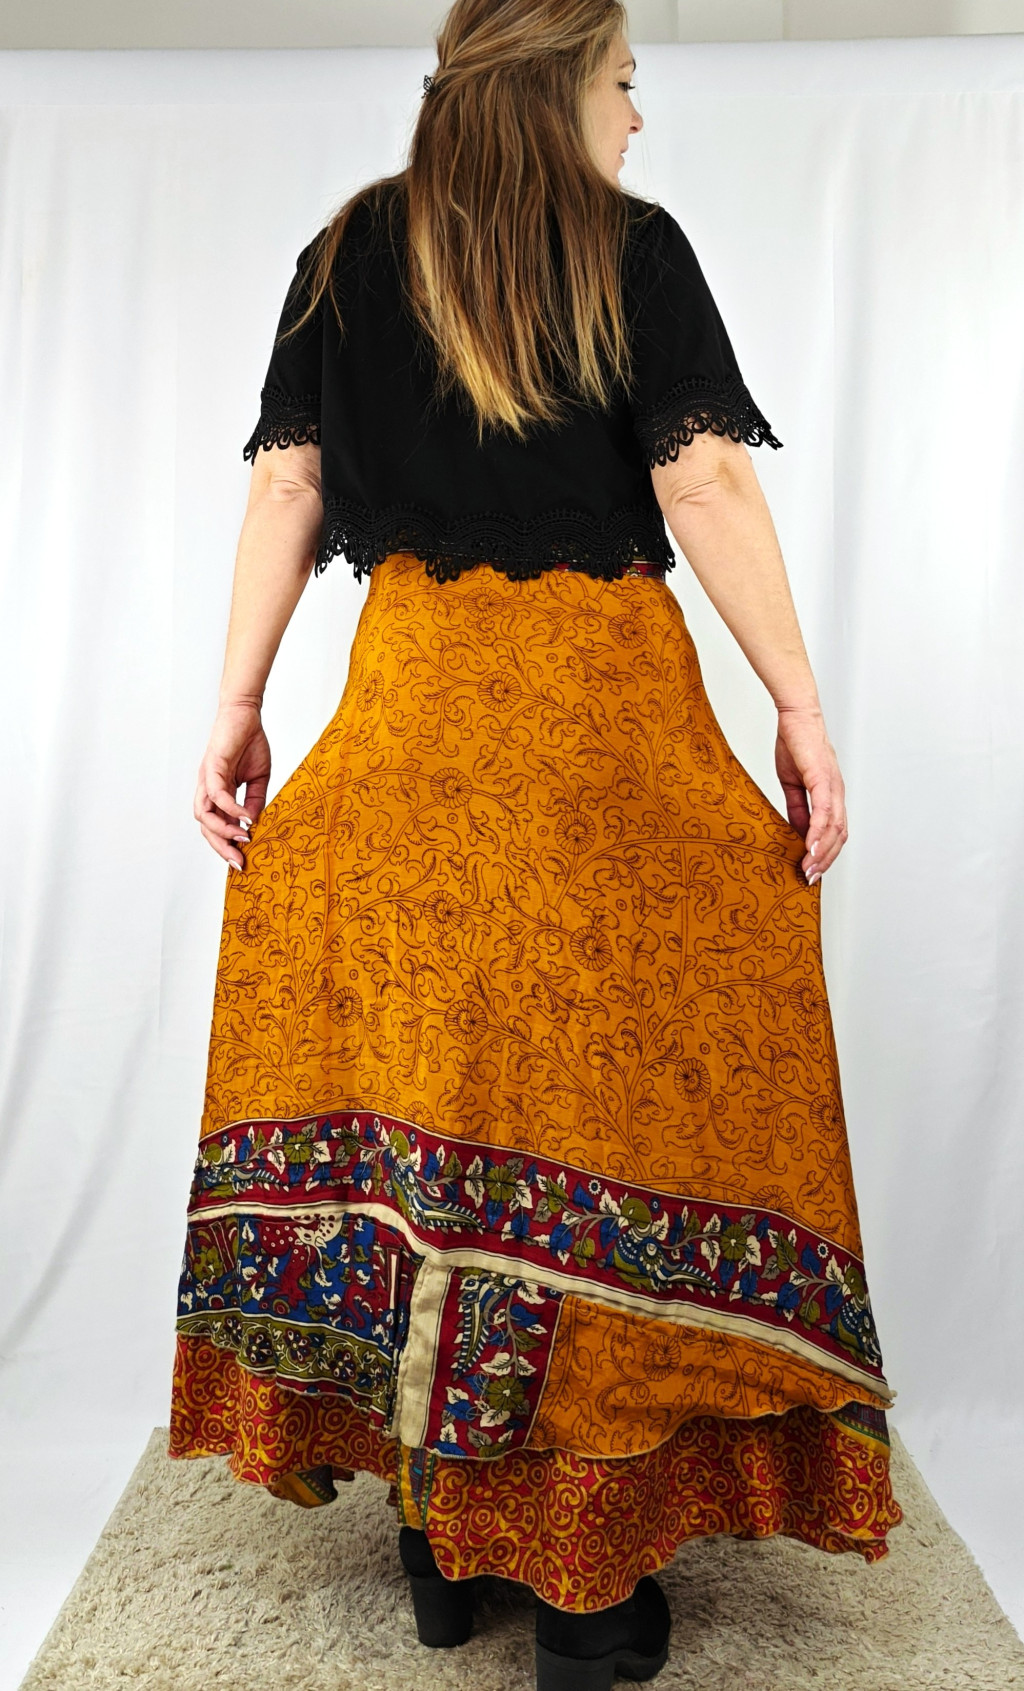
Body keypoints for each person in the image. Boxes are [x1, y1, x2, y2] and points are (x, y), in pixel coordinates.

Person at [168, 2, 903, 1686]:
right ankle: (579, 1585)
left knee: (435, 1110)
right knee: (599, 1114)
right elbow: (704, 484)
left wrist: (238, 704)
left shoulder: (347, 253)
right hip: (595, 742)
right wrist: (799, 706)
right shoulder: (628, 249)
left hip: (411, 724)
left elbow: (287, 489)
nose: (639, 118)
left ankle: (439, 1542)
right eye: (624, 82)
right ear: (560, 83)